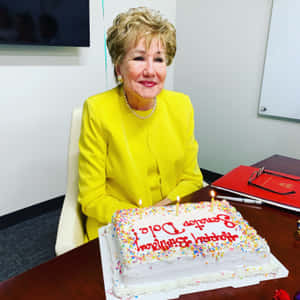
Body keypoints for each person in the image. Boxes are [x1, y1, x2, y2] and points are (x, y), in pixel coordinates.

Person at [78, 7, 203, 240]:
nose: (150, 71)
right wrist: (143, 221)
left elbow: (192, 178)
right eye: (138, 58)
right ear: (118, 67)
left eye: (159, 59)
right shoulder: (97, 110)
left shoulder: (181, 105)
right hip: (117, 225)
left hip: (171, 220)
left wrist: (159, 215)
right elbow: (92, 198)